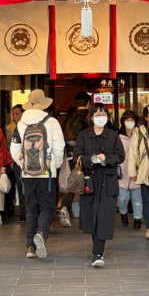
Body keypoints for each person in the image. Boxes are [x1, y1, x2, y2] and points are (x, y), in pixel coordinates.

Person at [10, 89, 65, 259]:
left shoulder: (20, 124)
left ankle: (30, 247)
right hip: (47, 173)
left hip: (28, 174)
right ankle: (41, 233)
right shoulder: (52, 122)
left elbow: (14, 150)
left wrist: (24, 164)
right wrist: (54, 165)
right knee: (47, 207)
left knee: (31, 208)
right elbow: (59, 147)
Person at [72, 106, 125, 267]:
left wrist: (105, 158)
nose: (101, 117)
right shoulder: (84, 135)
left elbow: (120, 156)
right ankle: (97, 248)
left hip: (108, 181)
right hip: (89, 180)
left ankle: (98, 252)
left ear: (107, 117)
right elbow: (76, 156)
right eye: (97, 114)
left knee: (104, 216)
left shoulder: (113, 135)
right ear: (92, 117)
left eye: (104, 114)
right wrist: (90, 160)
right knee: (90, 216)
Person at [128, 103, 149, 239]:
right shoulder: (140, 131)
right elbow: (133, 153)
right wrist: (132, 172)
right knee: (146, 201)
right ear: (146, 117)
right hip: (145, 170)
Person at [59, 92, 91, 227]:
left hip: (71, 156)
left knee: (73, 183)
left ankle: (65, 207)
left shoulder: (69, 117)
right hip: (85, 155)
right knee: (88, 184)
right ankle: (87, 215)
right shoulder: (88, 117)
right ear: (89, 103)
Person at [117, 110, 143, 228]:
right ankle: (123, 213)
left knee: (137, 199)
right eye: (127, 120)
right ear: (123, 122)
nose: (129, 122)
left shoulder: (140, 134)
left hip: (137, 171)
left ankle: (137, 219)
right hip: (121, 171)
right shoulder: (117, 136)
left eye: (132, 120)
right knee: (123, 198)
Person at [3, 104, 26, 222]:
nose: (15, 116)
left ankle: (29, 210)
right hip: (16, 160)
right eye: (14, 114)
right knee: (19, 185)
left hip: (27, 158)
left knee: (28, 186)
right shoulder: (10, 127)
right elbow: (8, 145)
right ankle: (22, 211)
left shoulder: (27, 124)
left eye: (17, 114)